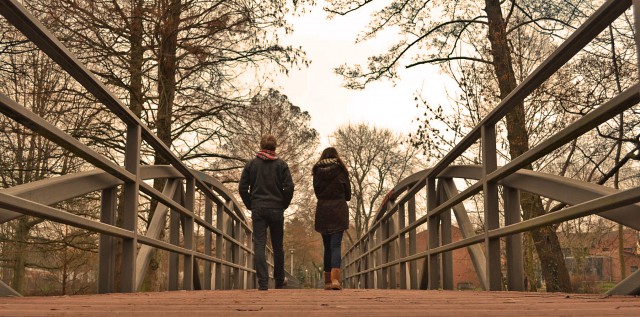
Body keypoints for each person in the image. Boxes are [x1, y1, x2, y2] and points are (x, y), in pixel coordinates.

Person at [239, 134, 294, 291]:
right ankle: (278, 281)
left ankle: (263, 282)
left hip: (259, 208)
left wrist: (251, 204)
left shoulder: (251, 165)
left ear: (261, 146)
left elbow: (242, 188)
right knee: (278, 246)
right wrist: (284, 204)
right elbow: (289, 187)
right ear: (275, 147)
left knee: (260, 245)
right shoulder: (281, 165)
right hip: (276, 209)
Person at [312, 147, 351, 290]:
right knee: (335, 246)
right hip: (338, 211)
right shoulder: (341, 170)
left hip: (323, 211)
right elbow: (348, 195)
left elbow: (317, 192)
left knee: (327, 247)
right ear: (336, 156)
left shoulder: (317, 171)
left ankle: (328, 282)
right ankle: (336, 280)